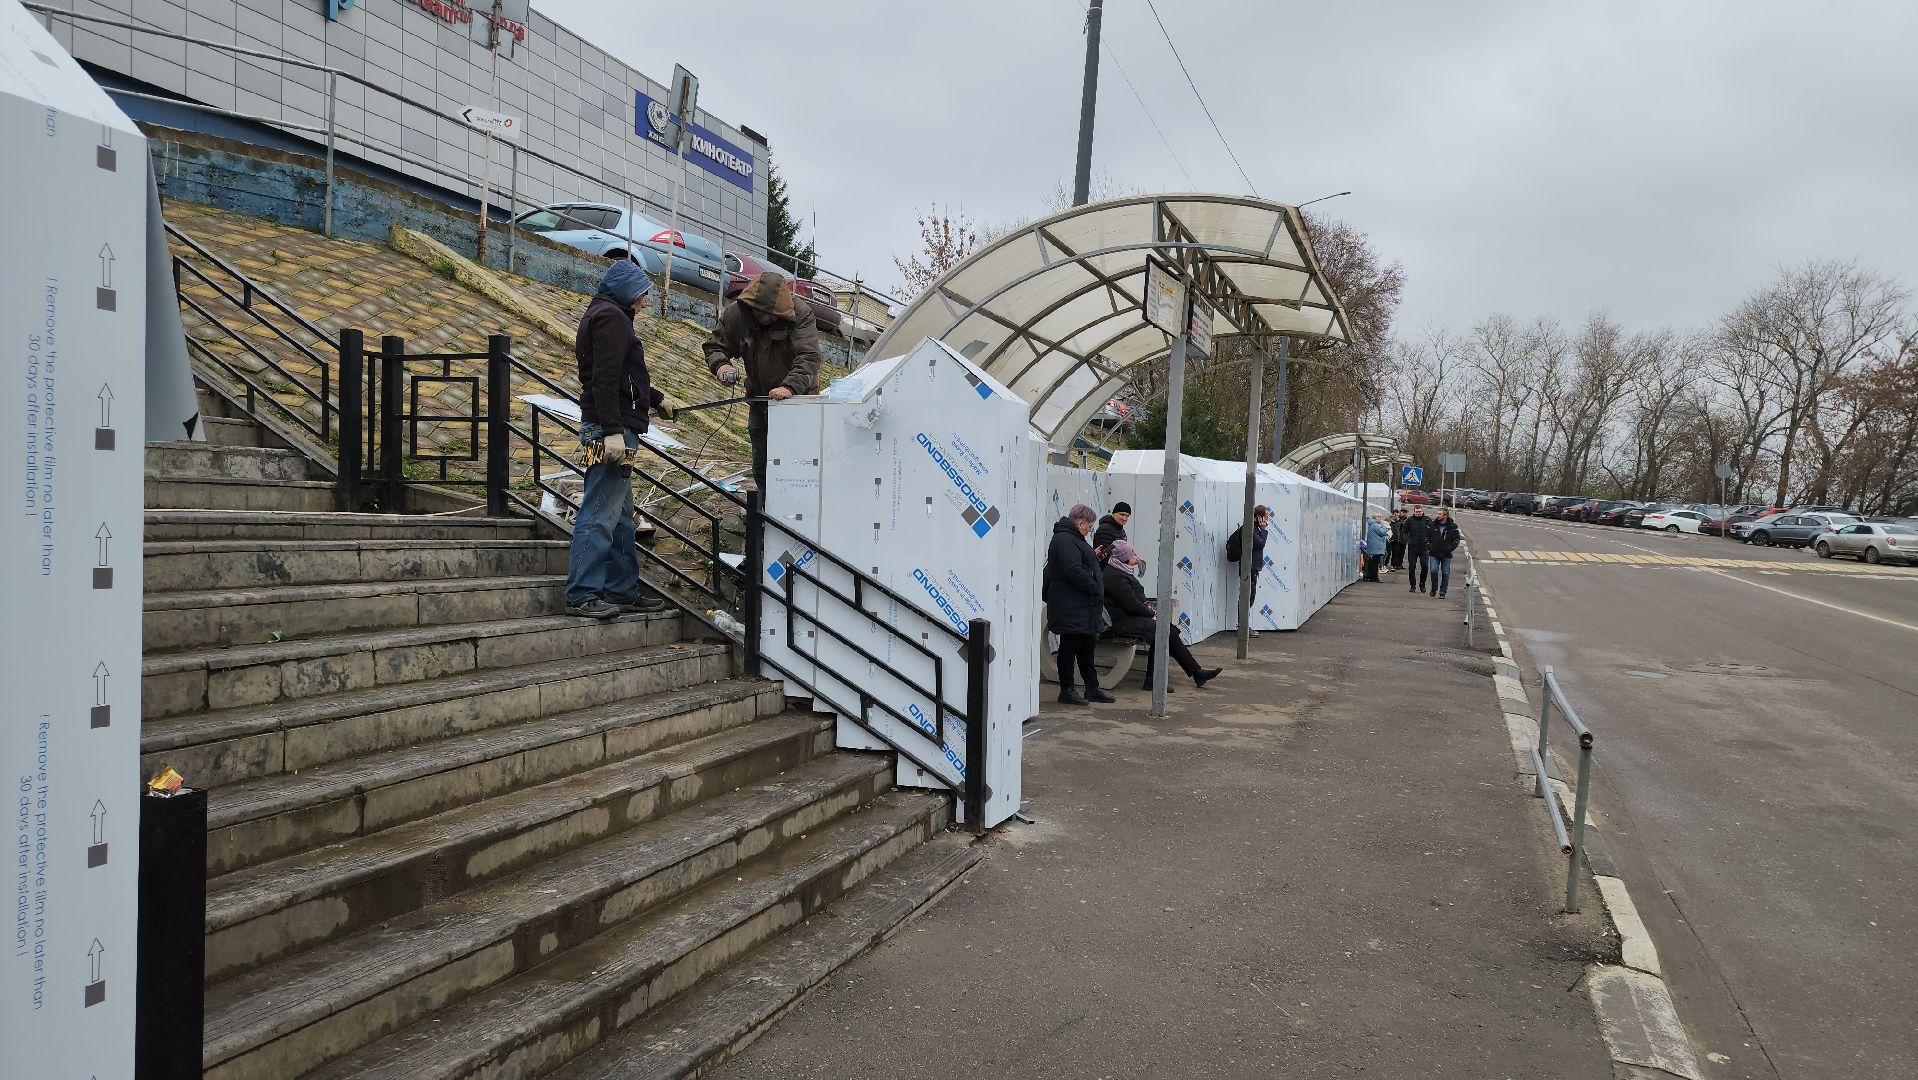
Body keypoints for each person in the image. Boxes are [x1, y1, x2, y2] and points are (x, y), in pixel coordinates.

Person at [566, 261, 669, 620]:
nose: (644, 302)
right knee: (598, 513)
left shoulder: (609, 314)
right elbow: (605, 378)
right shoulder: (612, 318)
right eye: (641, 295)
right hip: (610, 430)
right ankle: (581, 594)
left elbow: (623, 376)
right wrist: (611, 430)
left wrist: (656, 399)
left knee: (622, 516)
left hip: (614, 426)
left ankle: (622, 590)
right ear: (625, 292)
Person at [702, 272, 823, 491]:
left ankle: (795, 510)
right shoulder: (737, 314)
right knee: (761, 467)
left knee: (796, 467)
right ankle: (766, 508)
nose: (764, 318)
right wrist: (721, 366)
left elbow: (809, 357)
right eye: (759, 312)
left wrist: (789, 387)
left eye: (770, 314)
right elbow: (715, 346)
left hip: (798, 403)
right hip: (760, 401)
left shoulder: (801, 314)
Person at [1103, 539, 1220, 691]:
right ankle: (1160, 679)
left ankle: (1192, 673)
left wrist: (1146, 607)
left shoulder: (1120, 569)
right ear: (1125, 557)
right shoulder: (1115, 576)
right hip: (1118, 622)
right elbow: (1131, 604)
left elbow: (1135, 597)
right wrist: (1150, 612)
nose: (1136, 556)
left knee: (1166, 631)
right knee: (1163, 631)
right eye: (1132, 554)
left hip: (1126, 617)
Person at [1043, 504, 1115, 705]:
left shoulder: (1072, 538)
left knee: (1086, 647)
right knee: (1069, 647)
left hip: (1081, 606)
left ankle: (1092, 688)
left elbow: (1077, 564)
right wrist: (1094, 586)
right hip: (1071, 605)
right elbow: (1072, 569)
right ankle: (1067, 690)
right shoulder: (1064, 539)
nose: (1090, 530)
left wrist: (1093, 556)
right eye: (1089, 526)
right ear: (1080, 522)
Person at [1225, 505, 1271, 636]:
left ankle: (1243, 626)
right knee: (1247, 597)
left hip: (1251, 567)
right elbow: (1259, 544)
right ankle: (1242, 627)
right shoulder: (1250, 529)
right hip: (1248, 568)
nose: (1268, 519)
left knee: (1249, 597)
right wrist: (1263, 530)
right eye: (1266, 516)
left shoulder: (1254, 529)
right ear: (1259, 517)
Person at [1427, 507, 1463, 598]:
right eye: (1438, 514)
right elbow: (1426, 536)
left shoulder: (1452, 526)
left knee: (1445, 573)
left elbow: (1456, 539)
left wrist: (1450, 548)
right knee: (1433, 570)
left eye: (1440, 514)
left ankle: (1442, 592)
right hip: (1434, 553)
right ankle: (1434, 588)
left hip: (1446, 554)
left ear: (1445, 516)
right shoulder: (1432, 525)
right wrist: (1429, 546)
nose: (1437, 515)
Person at [1402, 504, 1436, 594]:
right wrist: (1407, 540)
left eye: (1420, 511)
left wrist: (1430, 542)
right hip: (1412, 547)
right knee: (1412, 567)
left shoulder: (1427, 520)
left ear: (1422, 511)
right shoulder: (1410, 520)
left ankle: (1422, 584)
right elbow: (1404, 531)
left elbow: (1433, 531)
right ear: (1414, 512)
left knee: (1424, 566)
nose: (1418, 513)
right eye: (1417, 512)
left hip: (1424, 547)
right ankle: (1412, 585)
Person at [1363, 513, 1389, 581]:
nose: (1380, 518)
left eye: (1380, 517)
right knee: (1375, 562)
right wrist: (1385, 526)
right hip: (1376, 546)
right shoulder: (1376, 525)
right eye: (1378, 517)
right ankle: (1374, 577)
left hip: (1374, 546)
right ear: (1375, 518)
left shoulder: (1372, 525)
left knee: (1374, 561)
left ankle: (1372, 576)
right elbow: (1383, 532)